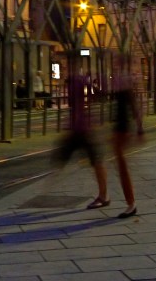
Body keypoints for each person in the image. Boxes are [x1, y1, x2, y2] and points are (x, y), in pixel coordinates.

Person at [53, 70, 109, 211]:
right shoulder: (78, 81)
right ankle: (103, 195)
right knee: (95, 162)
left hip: (85, 128)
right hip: (79, 128)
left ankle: (103, 196)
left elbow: (97, 95)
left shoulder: (80, 80)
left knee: (96, 162)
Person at [111, 54, 144, 219]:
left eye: (117, 62)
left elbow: (134, 107)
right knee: (120, 164)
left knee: (122, 166)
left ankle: (131, 204)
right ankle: (130, 203)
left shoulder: (126, 82)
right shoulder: (121, 81)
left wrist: (139, 129)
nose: (115, 64)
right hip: (120, 127)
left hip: (123, 128)